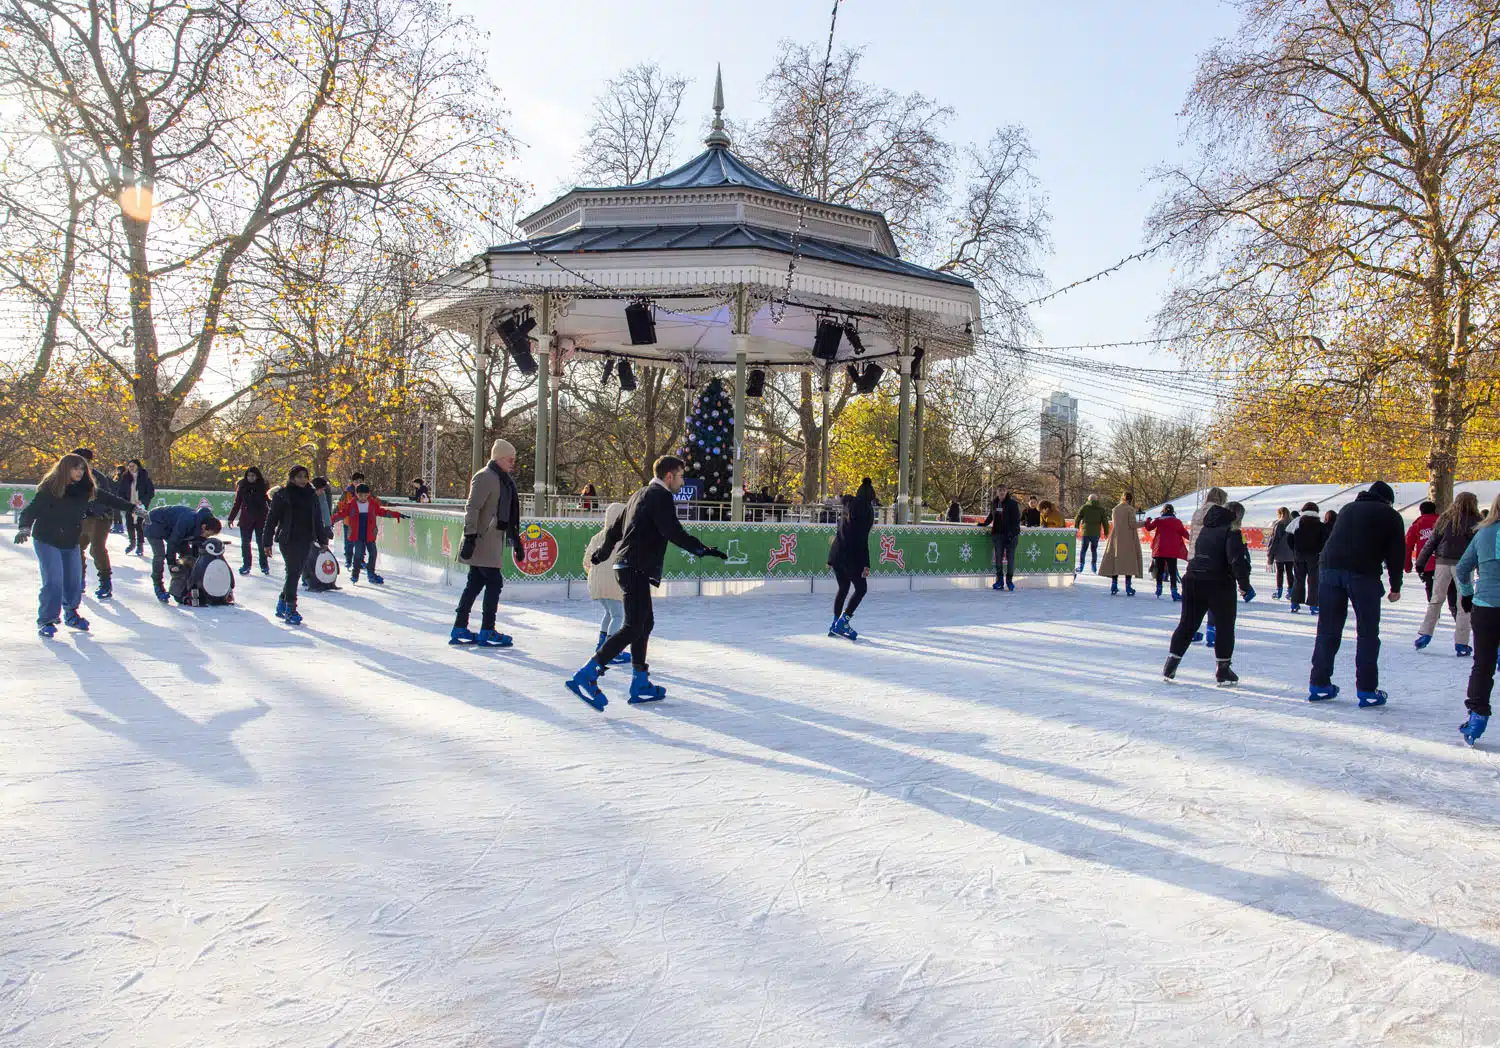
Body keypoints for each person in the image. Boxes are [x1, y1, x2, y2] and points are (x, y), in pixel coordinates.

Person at [566, 455, 728, 709]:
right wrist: (701, 549)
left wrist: (602, 554)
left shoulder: (638, 494)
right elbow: (672, 531)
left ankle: (640, 681)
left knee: (644, 623)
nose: (682, 482)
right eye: (681, 476)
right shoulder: (660, 496)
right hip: (636, 566)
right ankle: (587, 674)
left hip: (627, 565)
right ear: (669, 476)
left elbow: (614, 530)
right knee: (633, 626)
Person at [15, 453, 141, 636]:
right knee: (53, 581)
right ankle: (46, 620)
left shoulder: (85, 489)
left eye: (83, 469)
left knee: (74, 581)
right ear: (66, 468)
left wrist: (133, 508)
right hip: (47, 539)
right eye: (76, 468)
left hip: (70, 540)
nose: (80, 472)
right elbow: (31, 510)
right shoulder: (50, 489)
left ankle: (71, 613)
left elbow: (109, 499)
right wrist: (24, 527)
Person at [1308, 481, 1405, 705]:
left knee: (1328, 630)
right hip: (1363, 574)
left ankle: (1319, 683)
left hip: (1329, 569)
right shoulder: (1390, 515)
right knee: (1368, 633)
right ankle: (1367, 689)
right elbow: (1396, 553)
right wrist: (1395, 586)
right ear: (1388, 501)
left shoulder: (1347, 509)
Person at [1164, 500, 1255, 685]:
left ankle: (1171, 663)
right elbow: (1236, 560)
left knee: (1187, 624)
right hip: (1219, 582)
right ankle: (1223, 669)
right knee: (1224, 626)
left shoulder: (1206, 529)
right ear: (1237, 517)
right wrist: (1244, 585)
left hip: (1193, 579)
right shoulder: (1232, 532)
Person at [451, 439, 524, 647]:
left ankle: (460, 626)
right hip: (481, 539)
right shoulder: (485, 477)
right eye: (510, 459)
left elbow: (508, 515)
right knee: (494, 582)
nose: (513, 463)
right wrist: (471, 536)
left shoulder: (503, 480)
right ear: (499, 458)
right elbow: (472, 507)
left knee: (474, 583)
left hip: (492, 539)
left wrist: (515, 541)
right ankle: (487, 629)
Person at [1455, 493, 1500, 745]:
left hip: (1486, 607)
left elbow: (1463, 568)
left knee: (1483, 664)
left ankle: (1476, 717)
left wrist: (1467, 594)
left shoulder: (1483, 534)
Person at [1414, 491, 1481, 654]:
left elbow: (1431, 542)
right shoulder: (1477, 521)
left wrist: (1420, 563)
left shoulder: (1444, 519)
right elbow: (1480, 547)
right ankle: (1461, 642)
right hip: (1464, 565)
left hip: (1442, 563)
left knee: (1436, 599)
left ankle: (1425, 633)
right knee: (1463, 602)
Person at [263, 466, 331, 626]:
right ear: (292, 478)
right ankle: (291, 609)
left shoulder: (312, 495)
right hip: (289, 540)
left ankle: (282, 603)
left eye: (305, 476)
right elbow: (271, 520)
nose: (302, 480)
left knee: (295, 572)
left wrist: (323, 541)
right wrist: (267, 542)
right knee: (293, 571)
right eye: (298, 476)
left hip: (306, 539)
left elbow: (317, 519)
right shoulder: (283, 495)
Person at [827, 478, 876, 640]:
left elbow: (839, 533)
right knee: (861, 589)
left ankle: (835, 623)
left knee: (843, 588)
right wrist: (866, 564)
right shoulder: (867, 512)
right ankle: (843, 622)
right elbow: (862, 540)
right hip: (851, 557)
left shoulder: (847, 507)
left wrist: (830, 557)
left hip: (837, 555)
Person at [144, 504, 223, 604]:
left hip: (170, 527)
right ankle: (158, 585)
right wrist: (171, 563)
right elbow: (173, 542)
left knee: (188, 556)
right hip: (153, 522)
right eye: (208, 534)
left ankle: (186, 586)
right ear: (203, 527)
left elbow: (197, 544)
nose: (207, 537)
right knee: (159, 555)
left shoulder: (202, 523)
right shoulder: (187, 520)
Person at [584, 502, 632, 665]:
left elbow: (586, 561)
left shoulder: (597, 537)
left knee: (610, 614)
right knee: (618, 616)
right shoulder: (623, 538)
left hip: (596, 583)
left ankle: (601, 646)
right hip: (613, 582)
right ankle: (611, 652)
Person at [330, 483, 405, 584]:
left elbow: (382, 512)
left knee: (373, 553)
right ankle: (355, 574)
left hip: (370, 534)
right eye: (361, 495)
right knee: (358, 554)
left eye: (365, 495)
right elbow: (341, 514)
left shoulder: (372, 504)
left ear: (369, 494)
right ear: (356, 494)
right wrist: (330, 521)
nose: (363, 498)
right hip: (357, 534)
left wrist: (397, 515)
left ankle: (371, 573)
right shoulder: (351, 505)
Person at [71, 448, 120, 600]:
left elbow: (105, 498)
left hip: (100, 518)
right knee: (76, 548)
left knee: (97, 549)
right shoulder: (71, 477)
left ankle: (105, 582)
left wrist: (92, 511)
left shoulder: (98, 477)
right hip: (81, 518)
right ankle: (79, 580)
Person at [1405, 500, 1452, 611]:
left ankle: (1435, 611)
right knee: (1450, 587)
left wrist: (1407, 565)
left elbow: (1407, 545)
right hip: (1446, 562)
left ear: (1421, 512)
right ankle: (1454, 609)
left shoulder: (1417, 525)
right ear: (1434, 510)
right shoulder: (1444, 523)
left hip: (1426, 564)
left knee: (1430, 587)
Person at [227, 466, 271, 576]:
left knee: (261, 543)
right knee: (245, 543)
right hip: (246, 519)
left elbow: (270, 503)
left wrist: (275, 517)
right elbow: (237, 503)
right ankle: (246, 565)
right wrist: (231, 517)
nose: (251, 478)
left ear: (257, 476)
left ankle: (264, 565)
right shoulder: (242, 487)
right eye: (249, 475)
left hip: (261, 518)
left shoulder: (263, 487)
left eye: (253, 476)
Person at [1099, 490, 1143, 596]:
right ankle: (1128, 586)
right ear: (1130, 499)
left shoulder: (1115, 509)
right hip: (1128, 537)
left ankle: (1114, 585)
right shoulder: (1130, 509)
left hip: (1116, 537)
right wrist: (1144, 523)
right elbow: (1132, 524)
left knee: (1116, 560)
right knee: (1129, 562)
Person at [1142, 503, 1190, 600]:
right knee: (1172, 571)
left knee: (1160, 570)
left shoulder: (1158, 520)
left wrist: (1147, 520)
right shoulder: (1177, 522)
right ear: (1173, 511)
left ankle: (1159, 589)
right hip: (1172, 550)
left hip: (1160, 549)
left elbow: (1149, 527)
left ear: (1163, 511)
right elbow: (1185, 534)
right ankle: (1174, 592)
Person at [1285, 502, 1326, 613]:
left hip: (1299, 555)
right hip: (1314, 556)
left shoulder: (1297, 524)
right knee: (1313, 580)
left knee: (1298, 579)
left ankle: (1295, 603)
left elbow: (1289, 539)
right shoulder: (1321, 526)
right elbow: (1324, 541)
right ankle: (1313, 605)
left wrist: (1294, 550)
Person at [979, 485, 1022, 591]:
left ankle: (1009, 580)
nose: (1002, 492)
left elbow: (1016, 520)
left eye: (1003, 490)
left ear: (1006, 491)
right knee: (998, 558)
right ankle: (999, 580)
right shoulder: (994, 503)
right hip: (998, 535)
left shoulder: (1012, 504)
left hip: (1011, 535)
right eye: (1000, 490)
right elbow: (991, 515)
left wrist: (1012, 534)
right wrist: (985, 523)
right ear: (997, 492)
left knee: (1010, 558)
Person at [121, 459, 154, 556]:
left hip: (140, 505)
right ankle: (132, 542)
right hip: (129, 504)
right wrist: (123, 501)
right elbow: (121, 491)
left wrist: (142, 501)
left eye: (133, 466)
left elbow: (150, 492)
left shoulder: (145, 477)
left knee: (139, 524)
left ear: (138, 467)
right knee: (129, 523)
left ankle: (140, 545)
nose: (131, 468)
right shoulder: (125, 477)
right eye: (129, 466)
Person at [336, 472, 365, 568]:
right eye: (356, 481)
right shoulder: (347, 492)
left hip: (362, 520)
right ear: (352, 482)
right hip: (349, 521)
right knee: (349, 542)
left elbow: (375, 500)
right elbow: (340, 505)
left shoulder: (365, 491)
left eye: (360, 481)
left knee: (361, 541)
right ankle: (348, 560)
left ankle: (360, 560)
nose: (358, 483)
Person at [1075, 494, 1110, 573]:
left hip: (1086, 532)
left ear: (1089, 499)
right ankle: (1094, 567)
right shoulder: (1101, 509)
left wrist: (1076, 528)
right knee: (1094, 550)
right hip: (1096, 533)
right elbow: (1105, 521)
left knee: (1083, 549)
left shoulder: (1084, 507)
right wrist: (1106, 532)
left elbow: (1077, 517)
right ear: (1096, 499)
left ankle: (1081, 566)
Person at [1267, 507, 1296, 600]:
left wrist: (1270, 554)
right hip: (1291, 553)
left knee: (1280, 572)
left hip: (1280, 553)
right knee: (1289, 572)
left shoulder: (1279, 524)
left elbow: (1275, 540)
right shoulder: (1293, 524)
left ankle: (1279, 591)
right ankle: (1291, 592)